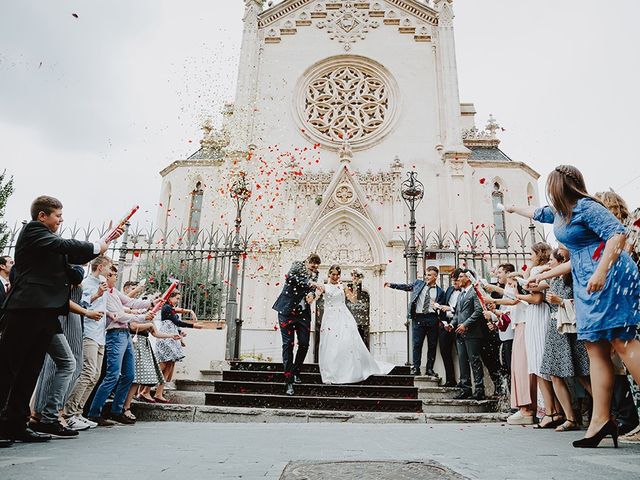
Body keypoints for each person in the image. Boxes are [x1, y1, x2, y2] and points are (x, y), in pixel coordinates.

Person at [507, 164, 640, 448]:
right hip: (587, 279)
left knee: (621, 341)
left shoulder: (586, 207)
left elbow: (618, 235)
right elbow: (544, 219)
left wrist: (602, 271)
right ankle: (601, 420)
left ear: (560, 185)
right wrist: (513, 209)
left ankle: (604, 419)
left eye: (551, 186)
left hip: (608, 276)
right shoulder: (561, 214)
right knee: (595, 348)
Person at [0, 196, 114, 446]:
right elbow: (66, 250)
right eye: (58, 216)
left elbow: (74, 272)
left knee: (30, 371)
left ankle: (15, 424)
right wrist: (97, 247)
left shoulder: (50, 247)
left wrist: (76, 264)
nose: (61, 220)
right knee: (8, 368)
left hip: (46, 313)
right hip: (25, 310)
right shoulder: (34, 231)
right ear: (42, 216)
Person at [31, 265, 104, 438]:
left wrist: (93, 301)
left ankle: (51, 412)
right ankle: (47, 413)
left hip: (74, 319)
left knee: (74, 366)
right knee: (58, 366)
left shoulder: (73, 271)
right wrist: (87, 312)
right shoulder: (66, 270)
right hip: (64, 319)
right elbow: (64, 297)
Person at [86, 265, 155, 426]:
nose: (115, 278)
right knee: (112, 375)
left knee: (129, 375)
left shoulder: (114, 292)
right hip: (115, 335)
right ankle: (94, 413)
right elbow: (119, 316)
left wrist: (150, 303)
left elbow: (130, 302)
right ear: (106, 277)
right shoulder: (104, 295)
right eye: (112, 275)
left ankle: (117, 411)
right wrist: (143, 316)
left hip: (125, 335)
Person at [538, 247, 591, 432]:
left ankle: (609, 413)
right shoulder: (553, 279)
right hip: (555, 330)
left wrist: (560, 301)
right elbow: (532, 282)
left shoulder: (572, 278)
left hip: (570, 330)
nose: (549, 263)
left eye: (551, 261)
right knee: (554, 373)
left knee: (582, 373)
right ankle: (570, 417)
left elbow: (581, 301)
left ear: (561, 262)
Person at [318, 265, 393, 384]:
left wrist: (355, 284)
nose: (335, 277)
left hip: (343, 316)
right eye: (333, 274)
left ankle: (347, 371)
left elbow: (353, 300)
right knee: (331, 345)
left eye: (338, 274)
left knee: (346, 342)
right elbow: (316, 295)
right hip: (330, 318)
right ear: (329, 274)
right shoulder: (324, 287)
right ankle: (331, 373)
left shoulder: (342, 286)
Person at [62, 255, 112, 429]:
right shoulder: (87, 283)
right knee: (87, 372)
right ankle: (68, 412)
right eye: (108, 267)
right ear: (99, 267)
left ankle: (78, 411)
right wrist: (97, 295)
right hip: (89, 332)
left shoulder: (103, 284)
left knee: (96, 375)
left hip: (100, 335)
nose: (110, 270)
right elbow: (82, 304)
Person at [272, 253, 321, 396]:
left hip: (303, 313)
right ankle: (288, 382)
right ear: (307, 262)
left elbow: (311, 288)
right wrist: (310, 284)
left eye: (316, 267)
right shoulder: (297, 265)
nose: (314, 269)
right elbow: (291, 278)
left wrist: (311, 294)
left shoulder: (315, 273)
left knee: (304, 344)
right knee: (288, 345)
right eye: (312, 266)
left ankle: (295, 372)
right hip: (286, 310)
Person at [385, 266, 446, 377]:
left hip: (432, 318)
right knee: (417, 344)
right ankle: (416, 368)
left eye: (429, 275)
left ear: (435, 276)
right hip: (418, 318)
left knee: (432, 345)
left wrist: (438, 308)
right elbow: (406, 287)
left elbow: (442, 308)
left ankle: (429, 369)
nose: (426, 277)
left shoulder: (440, 291)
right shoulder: (419, 284)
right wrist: (392, 285)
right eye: (426, 274)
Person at [122, 319, 180, 415]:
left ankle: (127, 405)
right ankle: (126, 404)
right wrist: (149, 324)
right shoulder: (136, 313)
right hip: (134, 342)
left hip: (144, 344)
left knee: (139, 377)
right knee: (131, 375)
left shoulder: (149, 317)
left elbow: (155, 333)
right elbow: (133, 326)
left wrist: (171, 336)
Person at [153, 291, 200, 403]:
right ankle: (144, 390)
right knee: (163, 366)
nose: (178, 301)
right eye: (177, 298)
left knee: (169, 365)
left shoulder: (171, 308)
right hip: (166, 339)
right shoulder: (166, 308)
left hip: (172, 339)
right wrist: (193, 325)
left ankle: (159, 393)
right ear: (170, 297)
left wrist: (181, 335)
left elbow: (174, 324)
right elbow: (176, 322)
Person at [446, 269, 486, 400]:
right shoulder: (461, 294)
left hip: (472, 333)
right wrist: (452, 324)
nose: (458, 279)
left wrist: (466, 324)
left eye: (461, 276)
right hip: (459, 333)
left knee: (474, 360)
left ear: (468, 278)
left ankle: (479, 389)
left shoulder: (474, 292)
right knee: (463, 361)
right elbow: (457, 313)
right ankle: (466, 388)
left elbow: (478, 311)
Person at [433, 268, 462, 387]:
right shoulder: (449, 290)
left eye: (456, 281)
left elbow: (463, 309)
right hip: (445, 324)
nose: (454, 283)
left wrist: (450, 309)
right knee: (444, 351)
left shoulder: (465, 292)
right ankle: (450, 379)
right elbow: (445, 304)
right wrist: (439, 307)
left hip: (458, 324)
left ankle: (463, 381)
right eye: (453, 281)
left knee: (461, 353)